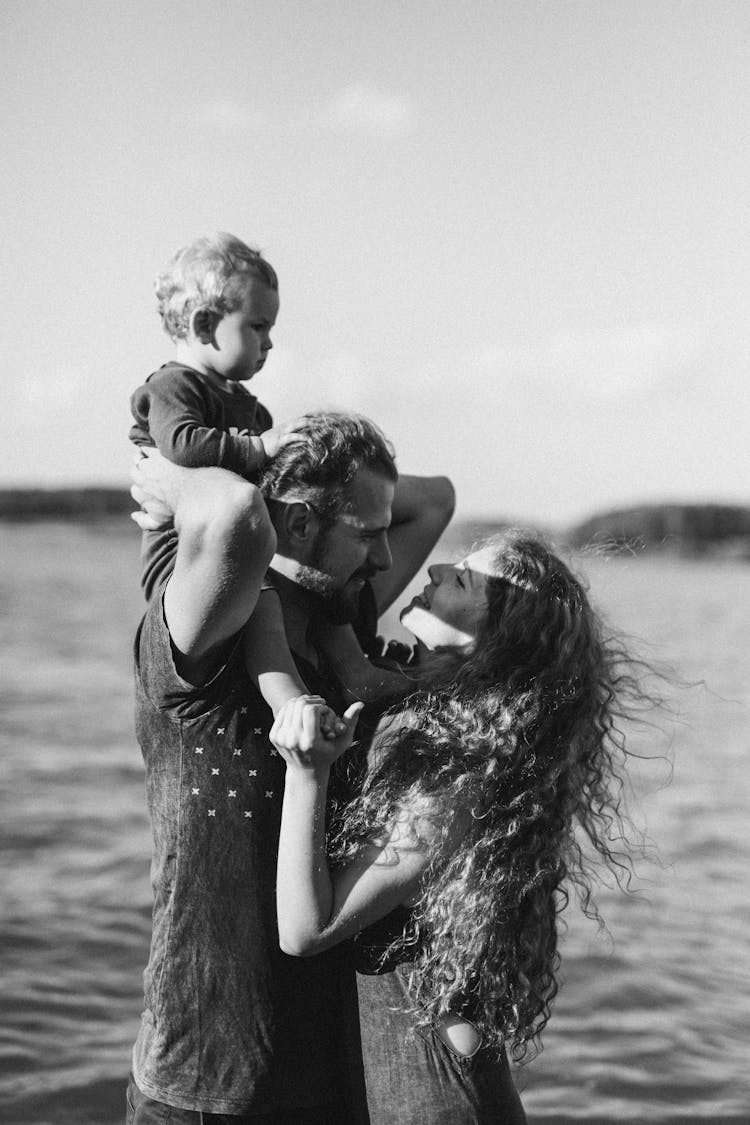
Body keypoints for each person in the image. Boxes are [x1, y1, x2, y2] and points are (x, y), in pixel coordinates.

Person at [126, 411, 455, 1123]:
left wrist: (334, 464)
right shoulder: (206, 639)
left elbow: (437, 497)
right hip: (209, 1084)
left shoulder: (344, 636)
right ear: (299, 526)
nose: (380, 560)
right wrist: (172, 478)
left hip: (336, 1077)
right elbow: (238, 512)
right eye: (367, 534)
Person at [272, 532, 653, 1125]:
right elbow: (424, 510)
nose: (440, 564)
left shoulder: (459, 780)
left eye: (464, 580)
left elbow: (307, 928)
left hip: (438, 1097)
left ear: (497, 639)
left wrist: (307, 772)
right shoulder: (414, 702)